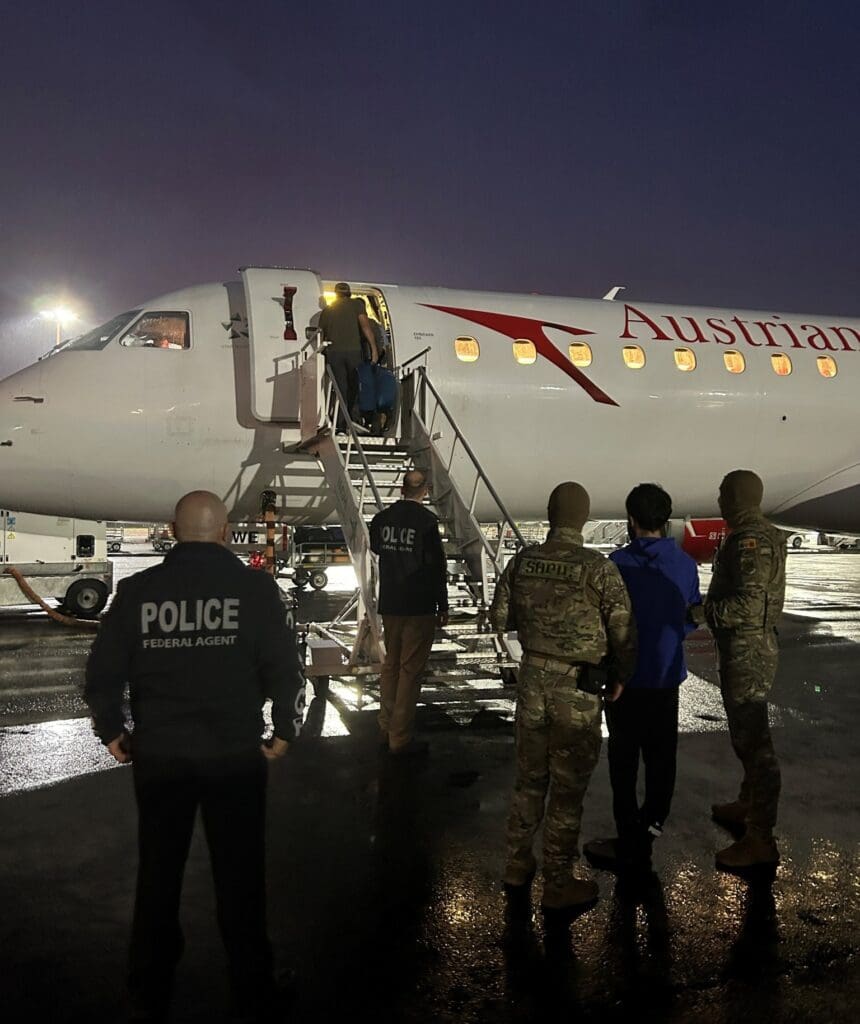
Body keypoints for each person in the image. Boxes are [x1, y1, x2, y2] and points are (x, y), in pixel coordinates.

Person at [84, 490, 305, 1022]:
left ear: (171, 530)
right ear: (225, 532)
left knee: (159, 872)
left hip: (161, 757)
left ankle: (148, 984)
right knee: (241, 874)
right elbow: (285, 669)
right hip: (234, 757)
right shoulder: (256, 590)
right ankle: (253, 984)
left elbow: (102, 673)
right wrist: (284, 730)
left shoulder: (138, 591)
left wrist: (112, 730)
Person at [490, 482, 637, 913]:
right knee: (567, 789)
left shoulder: (522, 561)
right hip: (577, 689)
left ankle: (517, 865)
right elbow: (623, 633)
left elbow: (499, 618)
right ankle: (557, 882)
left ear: (550, 514)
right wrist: (621, 675)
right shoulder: (599, 569)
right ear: (584, 519)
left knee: (529, 780)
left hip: (532, 681)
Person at [584, 484, 701, 873]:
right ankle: (651, 827)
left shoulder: (616, 564)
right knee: (661, 759)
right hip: (665, 678)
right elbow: (690, 616)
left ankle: (627, 834)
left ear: (630, 520)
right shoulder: (685, 564)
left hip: (625, 681)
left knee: (623, 761)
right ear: (666, 520)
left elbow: (602, 620)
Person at [705, 469, 786, 870]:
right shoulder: (762, 533)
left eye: (724, 494)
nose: (719, 501)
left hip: (747, 648)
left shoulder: (749, 540)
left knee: (755, 744)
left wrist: (704, 612)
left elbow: (749, 605)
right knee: (746, 734)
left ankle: (760, 838)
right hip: (749, 646)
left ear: (737, 497)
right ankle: (748, 801)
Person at [369, 469, 448, 755]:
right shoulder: (427, 522)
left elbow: (377, 548)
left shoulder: (381, 519)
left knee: (390, 666)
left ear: (402, 489)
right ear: (425, 491)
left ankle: (384, 725)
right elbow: (436, 566)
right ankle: (399, 737)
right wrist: (442, 604)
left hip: (391, 603)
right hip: (418, 605)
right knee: (409, 670)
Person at [318, 282, 379, 431]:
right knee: (355, 387)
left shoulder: (327, 311)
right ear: (349, 293)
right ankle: (354, 420)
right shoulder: (356, 305)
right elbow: (366, 327)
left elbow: (321, 334)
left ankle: (340, 424)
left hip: (334, 353)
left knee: (340, 389)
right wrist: (374, 350)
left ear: (336, 294)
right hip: (353, 352)